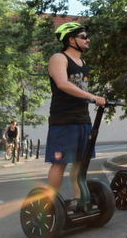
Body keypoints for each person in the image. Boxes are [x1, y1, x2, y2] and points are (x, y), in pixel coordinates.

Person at [45, 22, 106, 211]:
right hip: (63, 120)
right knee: (60, 162)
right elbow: (63, 84)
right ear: (71, 40)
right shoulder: (58, 58)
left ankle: (79, 200)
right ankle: (50, 205)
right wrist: (92, 97)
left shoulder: (83, 63)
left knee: (81, 162)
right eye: (83, 37)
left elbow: (80, 90)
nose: (88, 40)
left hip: (82, 119)